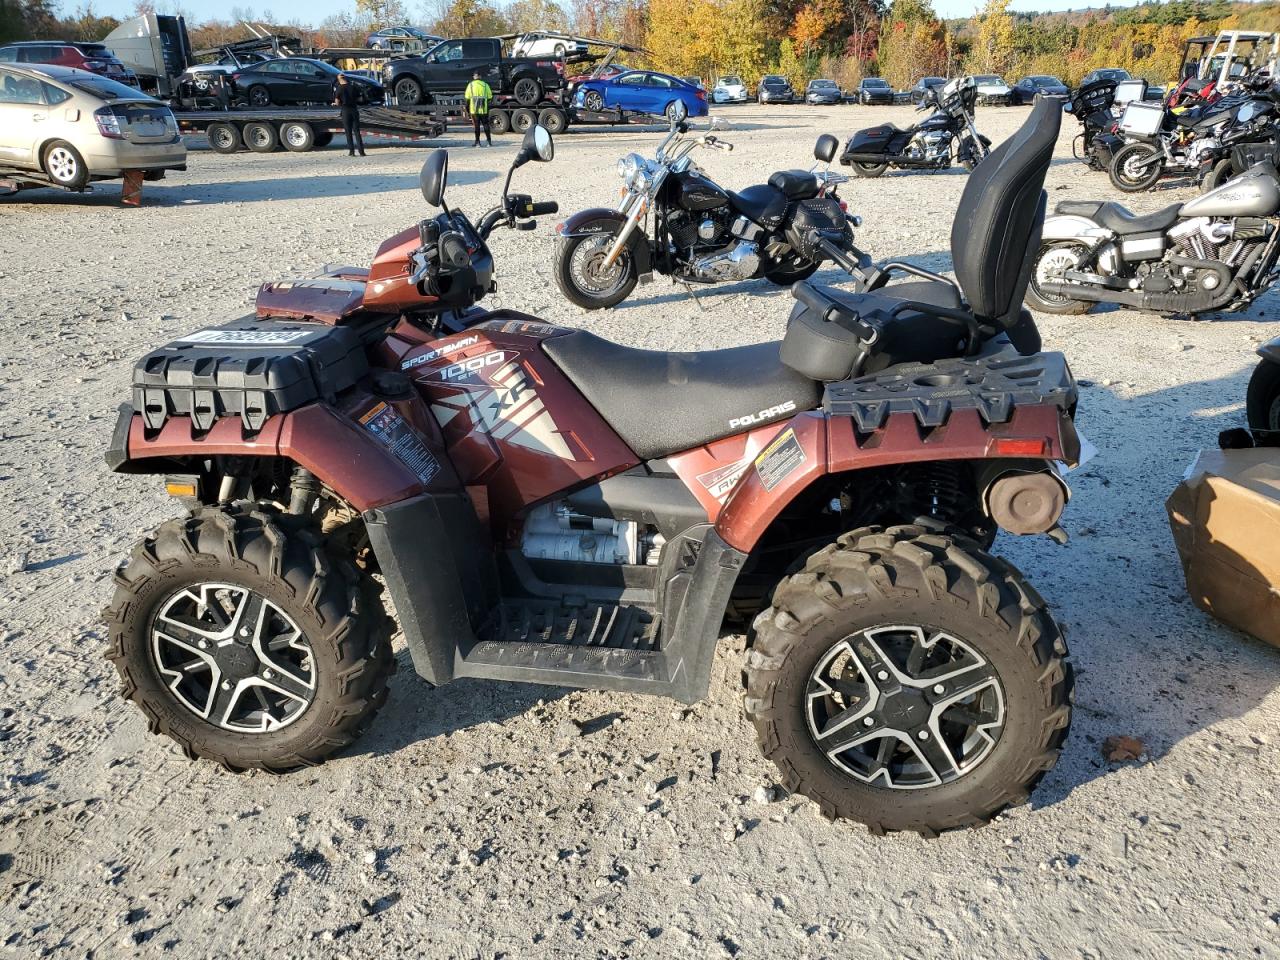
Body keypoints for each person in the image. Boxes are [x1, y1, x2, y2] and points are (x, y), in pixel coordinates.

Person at [333, 73, 366, 157]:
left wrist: (336, 103)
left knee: (348, 132)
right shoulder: (353, 87)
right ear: (345, 78)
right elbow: (360, 98)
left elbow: (337, 102)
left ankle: (352, 152)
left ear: (339, 80)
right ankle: (361, 152)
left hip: (345, 111)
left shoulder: (339, 89)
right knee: (357, 132)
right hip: (354, 110)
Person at [464, 69, 493, 148]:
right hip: (484, 109)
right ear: (480, 76)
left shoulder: (470, 85)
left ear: (474, 77)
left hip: (474, 110)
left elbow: (467, 98)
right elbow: (490, 97)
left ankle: (477, 142)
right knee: (486, 125)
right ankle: (489, 142)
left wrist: (467, 109)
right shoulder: (485, 85)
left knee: (476, 126)